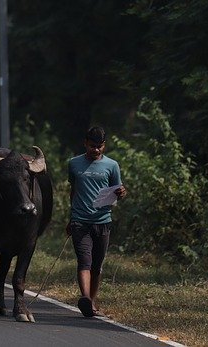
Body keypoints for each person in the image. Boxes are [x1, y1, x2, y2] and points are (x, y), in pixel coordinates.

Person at [66, 126, 126, 318]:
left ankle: (91, 301)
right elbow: (73, 191)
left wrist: (121, 193)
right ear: (85, 143)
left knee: (97, 265)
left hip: (103, 221)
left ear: (104, 146)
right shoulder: (74, 164)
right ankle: (85, 298)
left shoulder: (112, 166)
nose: (96, 150)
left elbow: (118, 190)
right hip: (80, 222)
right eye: (92, 146)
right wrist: (71, 217)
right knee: (84, 261)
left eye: (99, 146)